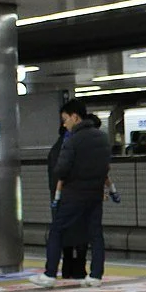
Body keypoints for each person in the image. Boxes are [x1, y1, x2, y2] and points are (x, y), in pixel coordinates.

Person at [31, 100, 111, 288]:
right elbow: (106, 166)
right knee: (96, 234)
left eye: (65, 119)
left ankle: (50, 274)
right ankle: (96, 275)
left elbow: (61, 170)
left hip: (74, 195)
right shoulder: (103, 138)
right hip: (95, 194)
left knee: (57, 230)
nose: (64, 124)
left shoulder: (72, 140)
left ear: (75, 117)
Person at [47, 102, 90, 280]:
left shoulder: (57, 147)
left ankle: (66, 268)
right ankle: (79, 268)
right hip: (75, 196)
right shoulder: (71, 145)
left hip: (61, 197)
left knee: (64, 233)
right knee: (81, 232)